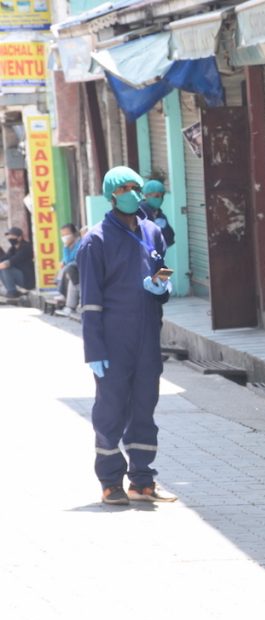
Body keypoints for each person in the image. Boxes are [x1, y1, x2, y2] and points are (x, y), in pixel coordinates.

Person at [78, 166, 177, 505]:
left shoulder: (152, 231)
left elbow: (163, 265)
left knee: (144, 407)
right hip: (113, 337)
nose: (134, 193)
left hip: (148, 333)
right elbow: (89, 300)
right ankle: (110, 482)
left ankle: (143, 480)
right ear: (112, 195)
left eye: (137, 186)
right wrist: (94, 349)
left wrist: (162, 284)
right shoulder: (96, 240)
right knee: (111, 409)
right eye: (126, 188)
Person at [140, 179, 175, 249]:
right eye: (157, 196)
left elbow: (169, 240)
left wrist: (164, 229)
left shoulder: (160, 215)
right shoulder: (139, 213)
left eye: (162, 196)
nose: (160, 199)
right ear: (146, 195)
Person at [0, 227, 34, 296]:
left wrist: (2, 264)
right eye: (9, 236)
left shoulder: (26, 247)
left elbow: (11, 261)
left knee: (5, 268)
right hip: (21, 276)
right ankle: (10, 290)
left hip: (28, 279)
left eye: (12, 236)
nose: (10, 238)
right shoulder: (13, 248)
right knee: (2, 267)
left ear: (19, 237)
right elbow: (4, 258)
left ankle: (12, 292)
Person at [57, 223, 82, 314]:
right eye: (63, 235)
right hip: (73, 271)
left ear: (74, 234)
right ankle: (69, 305)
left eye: (66, 234)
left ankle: (64, 296)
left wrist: (65, 247)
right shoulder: (71, 244)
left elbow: (69, 260)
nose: (64, 237)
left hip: (79, 269)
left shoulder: (79, 243)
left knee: (69, 268)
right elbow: (65, 260)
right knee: (67, 270)